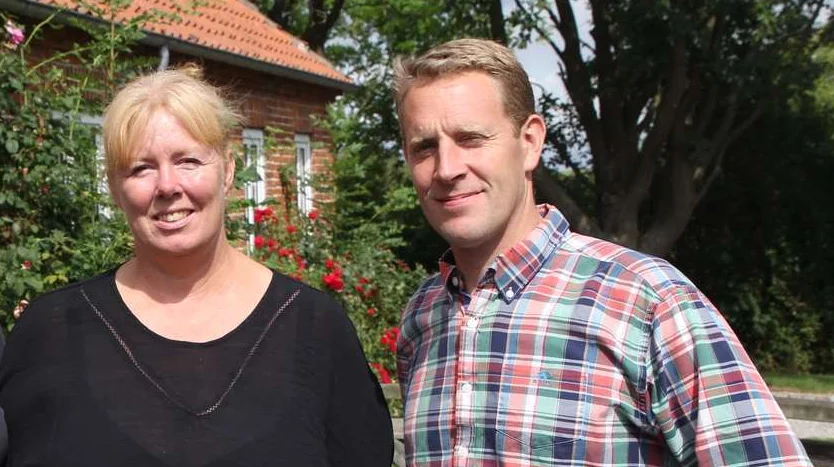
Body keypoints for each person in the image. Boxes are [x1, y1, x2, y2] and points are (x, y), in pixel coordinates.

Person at [393, 38, 812, 466]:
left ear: (531, 142)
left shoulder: (646, 302)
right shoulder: (422, 320)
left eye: (471, 138)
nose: (446, 168)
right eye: (424, 147)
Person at [0, 66, 393, 467]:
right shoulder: (50, 331)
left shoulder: (316, 329)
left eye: (188, 160)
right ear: (115, 188)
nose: (167, 186)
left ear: (228, 171)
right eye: (141, 168)